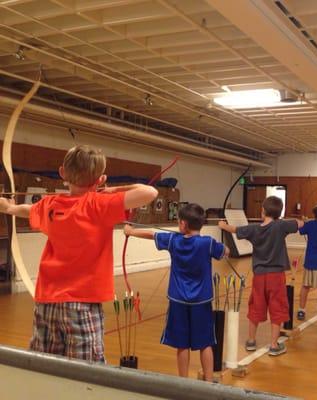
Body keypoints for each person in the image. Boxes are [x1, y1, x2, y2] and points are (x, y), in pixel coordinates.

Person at [0, 145, 158, 361]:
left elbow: (29, 210)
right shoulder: (100, 204)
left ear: (62, 173)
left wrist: (9, 208)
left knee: (44, 368)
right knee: (86, 375)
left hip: (46, 304)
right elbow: (150, 192)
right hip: (83, 304)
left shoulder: (50, 205)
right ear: (101, 179)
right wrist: (112, 190)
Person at [125, 203, 227, 382]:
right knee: (205, 343)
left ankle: (184, 383)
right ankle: (210, 383)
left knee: (182, 344)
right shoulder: (207, 243)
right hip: (201, 301)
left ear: (183, 224)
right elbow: (225, 251)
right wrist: (224, 248)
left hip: (178, 300)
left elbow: (152, 234)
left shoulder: (174, 240)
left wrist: (130, 232)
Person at [218, 196, 300, 356]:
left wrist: (222, 225)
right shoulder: (281, 225)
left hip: (259, 277)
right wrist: (301, 221)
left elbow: (235, 230)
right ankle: (274, 345)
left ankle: (250, 341)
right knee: (277, 307)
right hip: (276, 276)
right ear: (279, 212)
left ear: (263, 211)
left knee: (256, 305)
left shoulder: (254, 229)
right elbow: (299, 224)